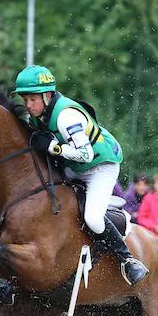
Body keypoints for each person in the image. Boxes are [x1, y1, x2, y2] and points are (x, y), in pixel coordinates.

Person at [16, 64, 149, 286]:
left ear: (47, 95)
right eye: (25, 99)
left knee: (92, 219)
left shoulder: (66, 116)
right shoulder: (39, 114)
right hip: (75, 167)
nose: (28, 106)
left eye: (32, 99)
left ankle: (127, 260)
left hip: (100, 166)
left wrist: (53, 147)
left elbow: (85, 154)